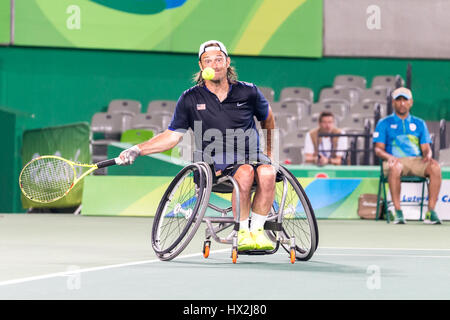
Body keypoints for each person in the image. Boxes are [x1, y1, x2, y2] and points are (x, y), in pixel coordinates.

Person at [118, 40, 277, 250]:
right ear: (202, 67)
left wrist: (268, 152)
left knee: (268, 173)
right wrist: (138, 149)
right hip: (215, 161)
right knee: (246, 172)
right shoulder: (190, 98)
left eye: (219, 59)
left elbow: (268, 120)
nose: (214, 64)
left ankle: (256, 231)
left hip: (251, 154)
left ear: (228, 62)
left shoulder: (249, 92)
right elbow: (172, 137)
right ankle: (242, 232)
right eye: (208, 61)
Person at [373, 87, 442, 224]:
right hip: (394, 160)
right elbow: (378, 150)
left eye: (405, 100)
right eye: (398, 100)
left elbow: (426, 148)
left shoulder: (419, 123)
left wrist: (428, 154)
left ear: (411, 102)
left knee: (435, 168)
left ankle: (430, 212)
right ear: (393, 103)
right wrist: (389, 157)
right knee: (396, 167)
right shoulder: (384, 123)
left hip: (416, 161)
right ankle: (398, 212)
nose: (402, 103)